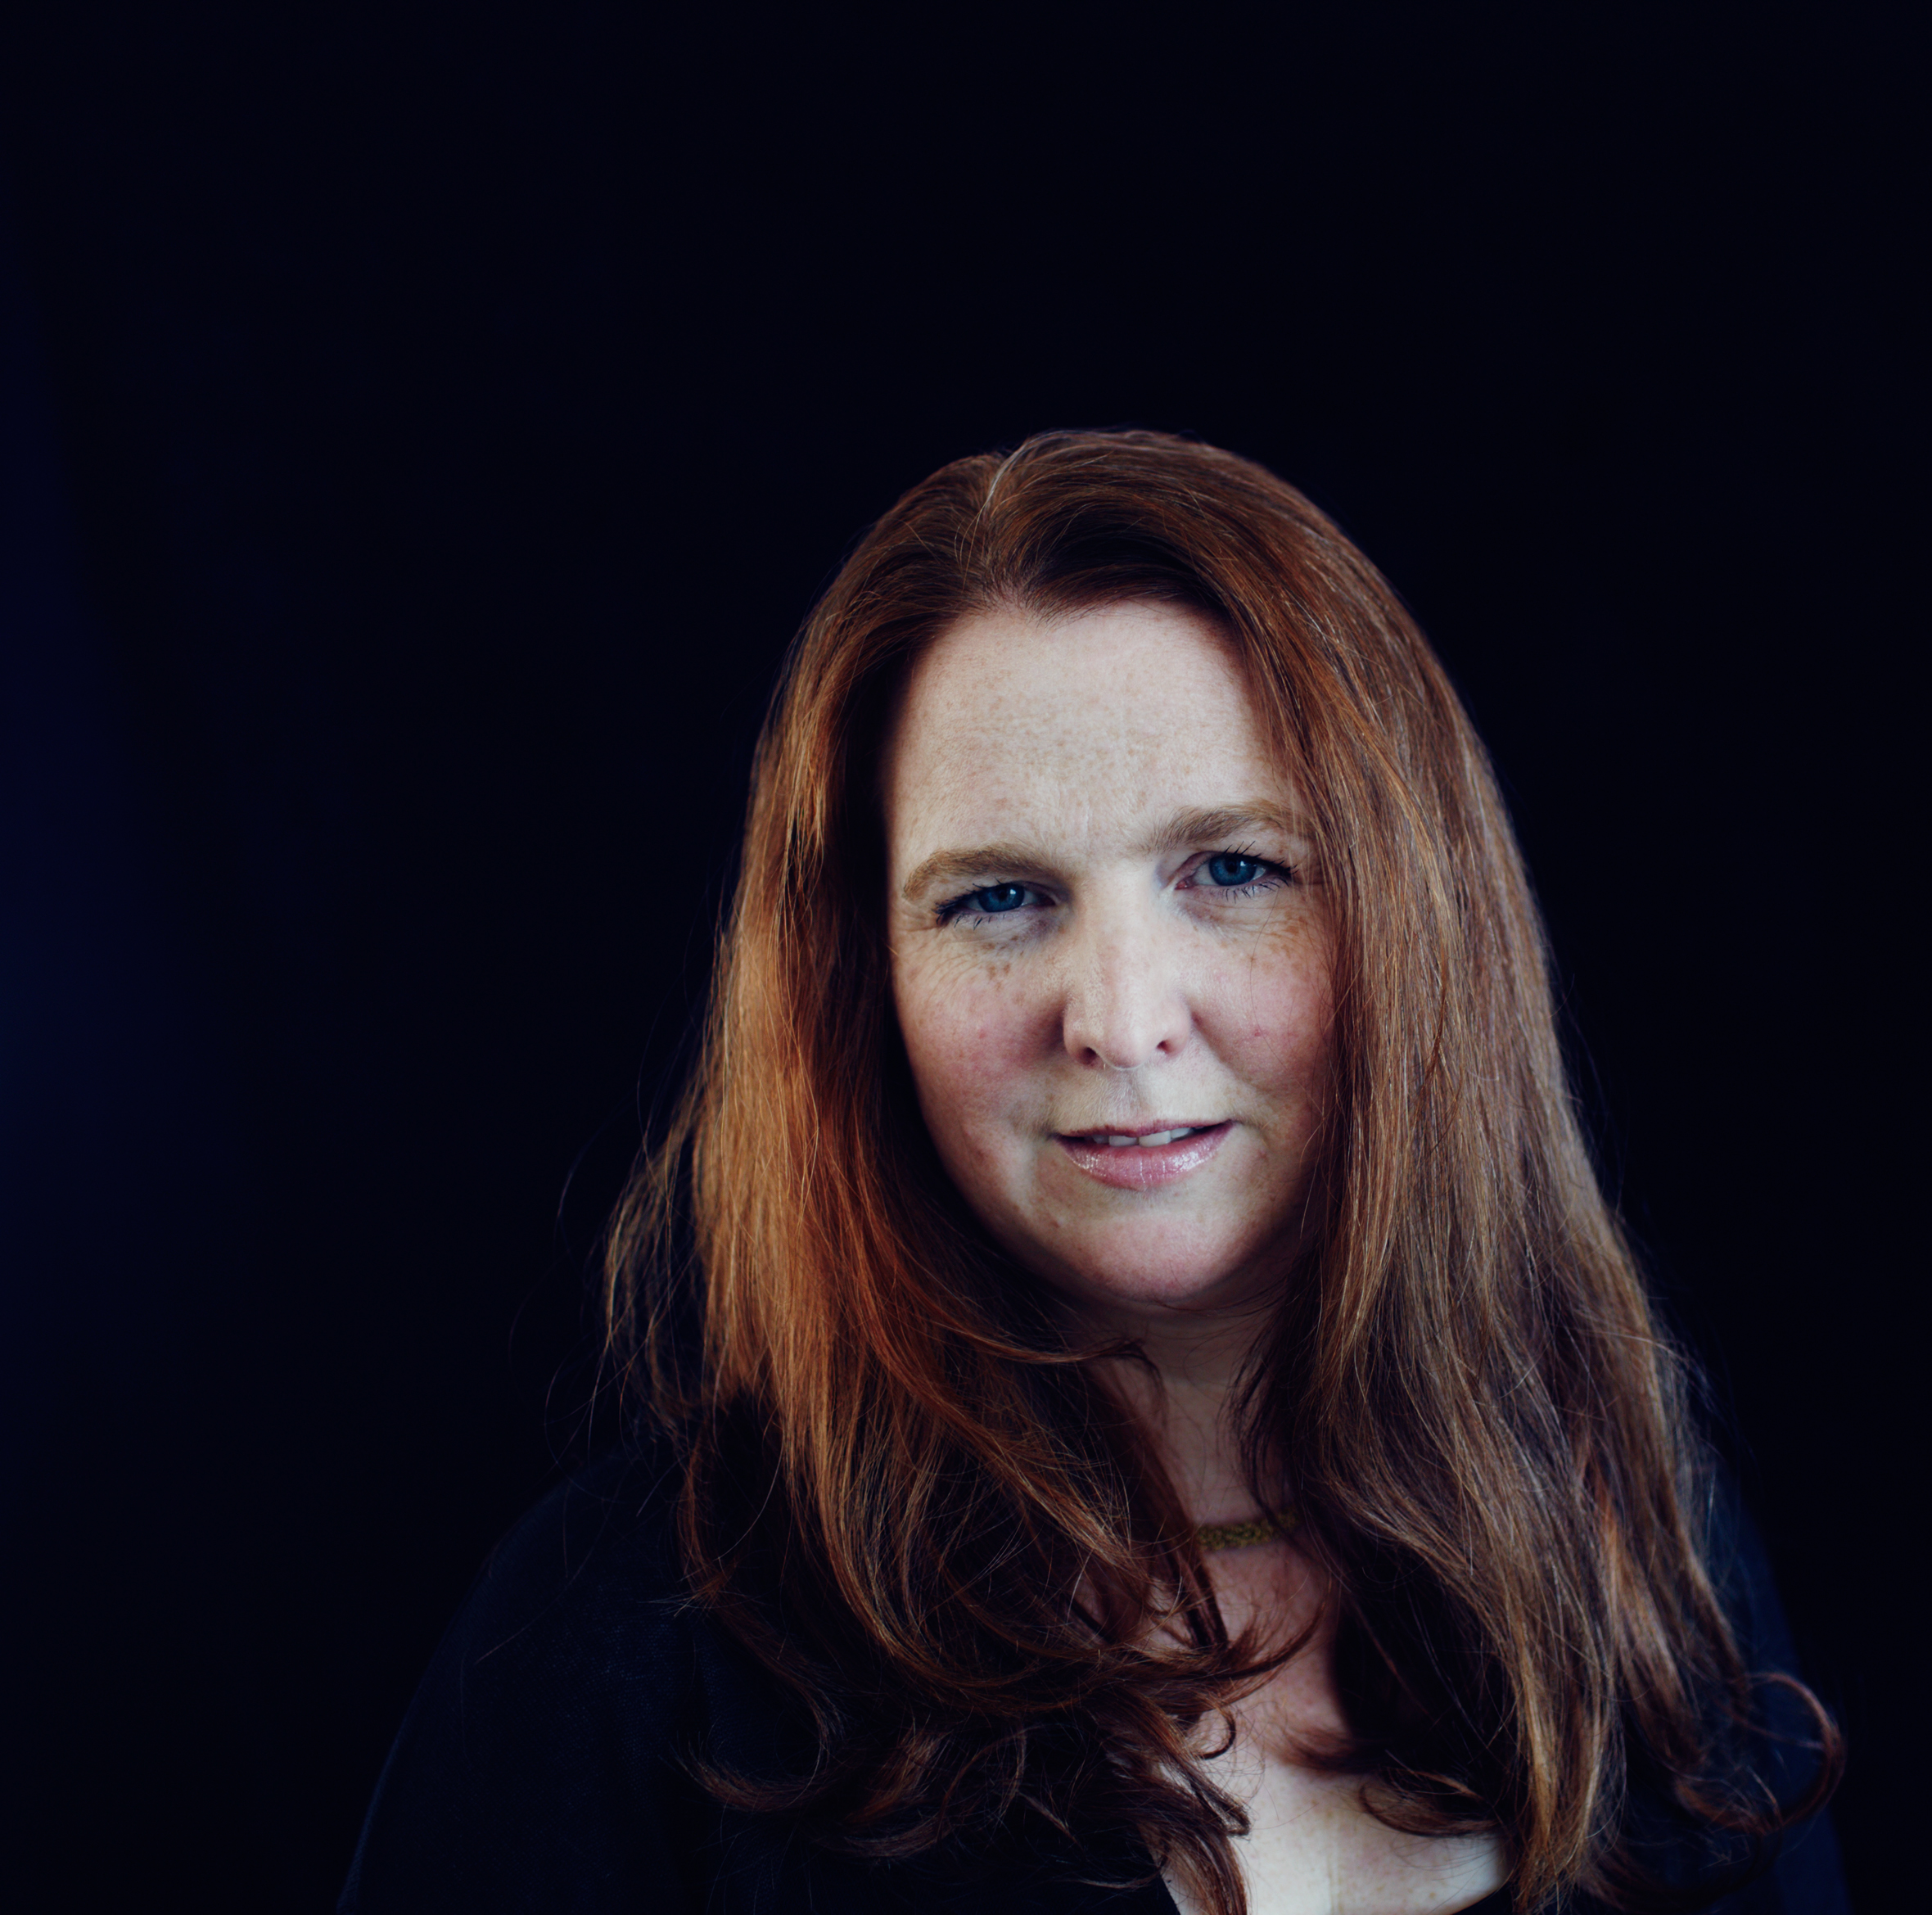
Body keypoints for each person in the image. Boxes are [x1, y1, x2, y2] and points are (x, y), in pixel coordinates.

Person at [341, 431, 1844, 1914]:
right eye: (999, 898)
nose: (1121, 1023)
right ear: (866, 983)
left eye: (1234, 870)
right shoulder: (623, 1638)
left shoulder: (1628, 1528)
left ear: (1417, 926)